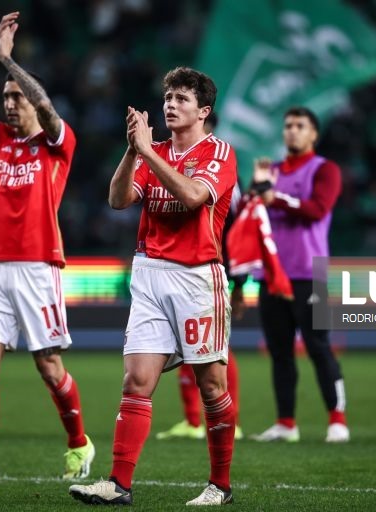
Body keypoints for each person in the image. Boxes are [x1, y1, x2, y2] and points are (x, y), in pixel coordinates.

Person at [69, 67, 237, 506]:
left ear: (204, 110)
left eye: (181, 98)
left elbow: (194, 197)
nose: (169, 104)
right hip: (148, 274)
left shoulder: (219, 152)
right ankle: (118, 484)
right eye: (167, 97)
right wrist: (132, 152)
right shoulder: (150, 151)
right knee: (136, 380)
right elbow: (118, 199)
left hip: (197, 278)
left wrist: (148, 152)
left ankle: (220, 486)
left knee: (212, 386)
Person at [0, 12, 94, 481]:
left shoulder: (57, 142)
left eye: (15, 97)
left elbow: (48, 109)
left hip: (37, 267)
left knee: (49, 366)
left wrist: (15, 66)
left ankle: (79, 444)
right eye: (5, 97)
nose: (8, 104)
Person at [245, 107, 349, 444]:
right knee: (280, 352)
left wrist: (275, 197)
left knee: (319, 346)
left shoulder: (325, 170)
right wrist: (254, 192)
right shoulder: (270, 171)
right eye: (288, 126)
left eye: (300, 126)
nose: (292, 131)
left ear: (313, 134)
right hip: (272, 274)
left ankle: (337, 419)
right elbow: (250, 211)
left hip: (308, 273)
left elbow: (317, 209)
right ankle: (286, 423)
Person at [156, 112, 244, 442]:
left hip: (208, 267)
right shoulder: (171, 158)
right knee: (184, 346)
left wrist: (238, 280)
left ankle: (228, 418)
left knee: (215, 349)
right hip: (172, 267)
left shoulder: (220, 161)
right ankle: (192, 420)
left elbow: (235, 229)